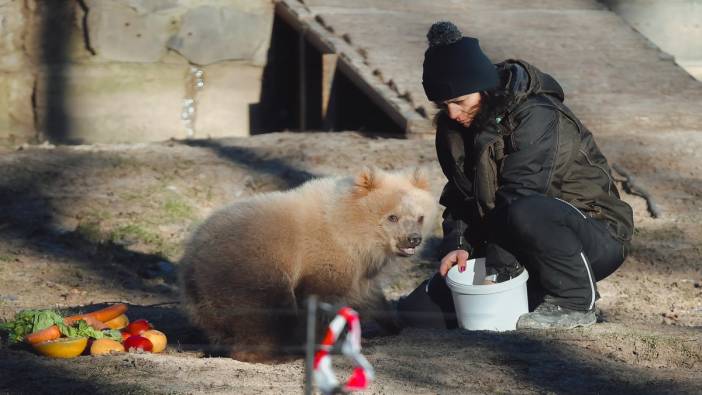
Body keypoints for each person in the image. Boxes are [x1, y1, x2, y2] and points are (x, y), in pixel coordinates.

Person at [396, 21, 634, 330]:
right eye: (443, 104)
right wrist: (458, 244)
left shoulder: (538, 115)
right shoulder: (453, 129)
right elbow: (460, 197)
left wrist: (499, 270)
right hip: (512, 241)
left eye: (459, 101)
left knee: (526, 210)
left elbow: (521, 195)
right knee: (416, 314)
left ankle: (574, 302)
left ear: (484, 88)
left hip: (590, 234)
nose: (452, 112)